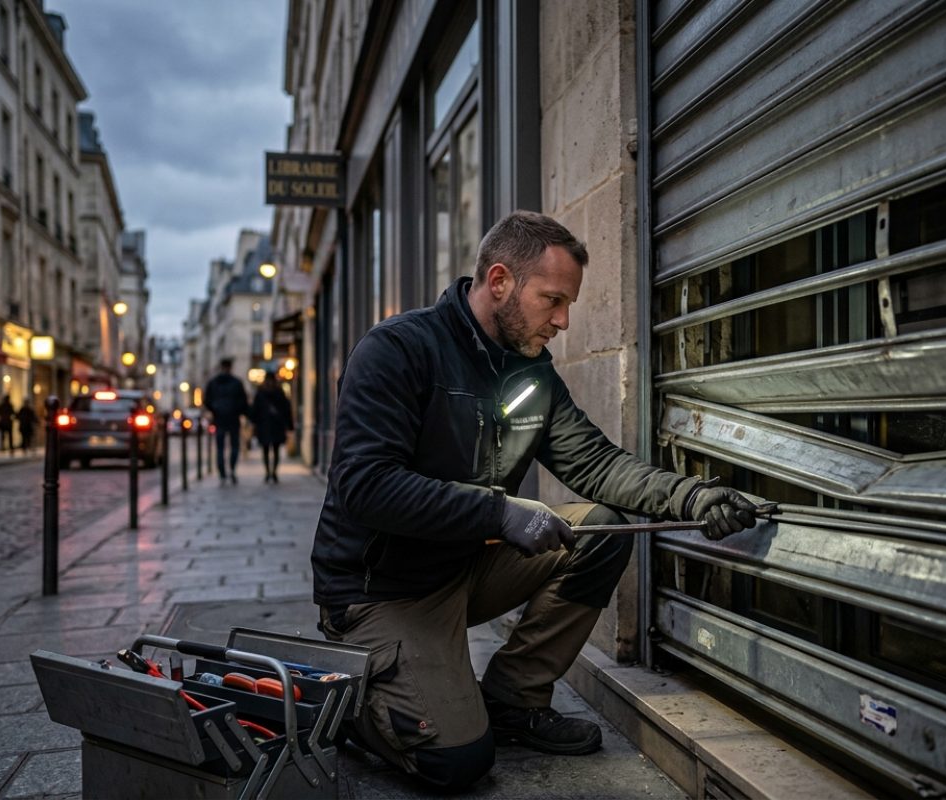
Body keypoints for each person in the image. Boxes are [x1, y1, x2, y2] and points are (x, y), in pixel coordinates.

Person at [311, 210, 764, 792]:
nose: (564, 320)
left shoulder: (531, 372)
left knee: (597, 530)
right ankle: (353, 701)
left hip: (462, 565)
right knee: (456, 762)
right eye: (553, 300)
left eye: (568, 304)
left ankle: (512, 702)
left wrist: (693, 497)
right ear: (500, 282)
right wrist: (499, 513)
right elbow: (367, 486)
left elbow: (596, 464)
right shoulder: (399, 350)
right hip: (381, 591)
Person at [203, 358, 249, 485]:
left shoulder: (213, 383)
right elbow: (243, 401)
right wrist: (238, 410)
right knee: (234, 446)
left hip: (219, 418)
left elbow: (206, 400)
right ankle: (232, 470)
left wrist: (215, 410)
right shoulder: (236, 382)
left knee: (220, 448)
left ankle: (222, 473)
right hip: (233, 418)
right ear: (230, 368)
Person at [251, 371, 293, 484]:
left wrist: (254, 423)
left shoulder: (262, 392)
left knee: (273, 450)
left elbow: (255, 411)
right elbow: (286, 409)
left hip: (269, 425)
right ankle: (270, 472)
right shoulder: (277, 392)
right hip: (272, 425)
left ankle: (271, 472)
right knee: (271, 450)